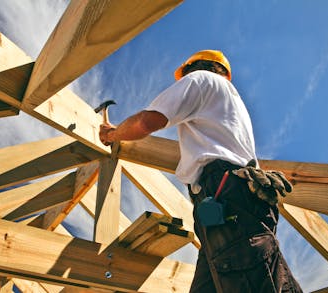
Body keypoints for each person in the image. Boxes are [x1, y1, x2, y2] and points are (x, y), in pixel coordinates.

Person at [99, 50, 302, 292]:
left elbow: (146, 122)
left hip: (225, 195)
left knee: (249, 278)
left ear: (191, 69)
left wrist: (112, 134)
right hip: (227, 202)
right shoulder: (228, 103)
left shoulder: (201, 80)